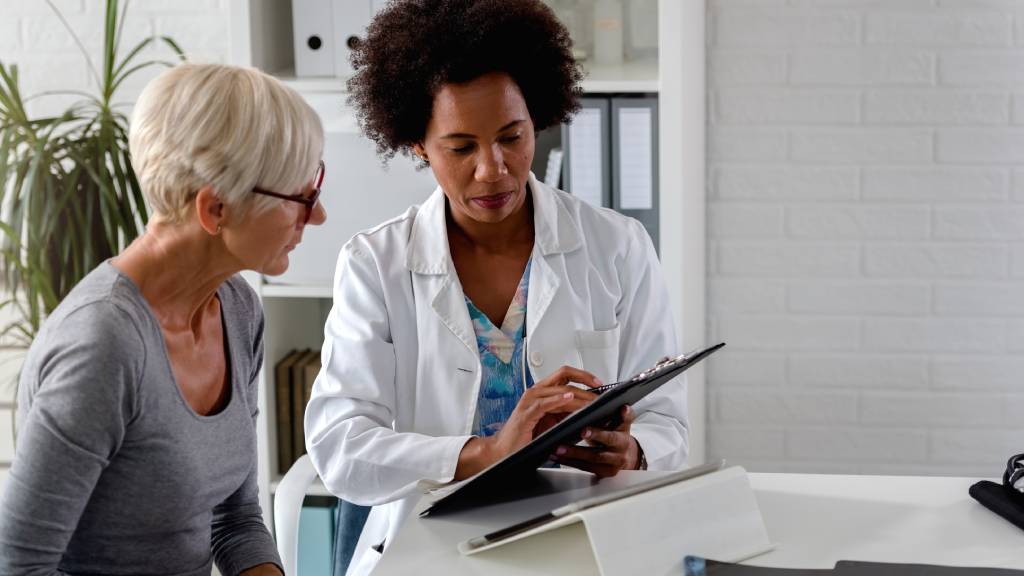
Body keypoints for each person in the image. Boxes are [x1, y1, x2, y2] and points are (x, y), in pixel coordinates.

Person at [304, 1, 687, 574]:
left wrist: (634, 450)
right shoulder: (375, 265)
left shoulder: (618, 246)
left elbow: (669, 422)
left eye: (512, 136)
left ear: (538, 117)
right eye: (461, 148)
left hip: (587, 541)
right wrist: (483, 453)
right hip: (428, 548)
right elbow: (340, 445)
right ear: (418, 145)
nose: (493, 168)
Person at [0, 63, 327, 576]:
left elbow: (235, 519)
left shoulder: (238, 311)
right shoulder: (102, 346)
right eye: (301, 198)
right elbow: (18, 564)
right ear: (215, 209)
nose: (319, 215)